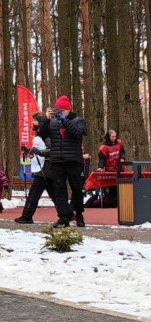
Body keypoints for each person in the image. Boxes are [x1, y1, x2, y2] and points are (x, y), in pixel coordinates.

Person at [37, 95, 87, 227]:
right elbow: (41, 135)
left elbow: (78, 133)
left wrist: (64, 120)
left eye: (62, 110)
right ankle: (63, 217)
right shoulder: (52, 123)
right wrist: (46, 119)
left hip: (73, 161)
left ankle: (79, 215)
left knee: (76, 190)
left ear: (68, 110)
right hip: (57, 161)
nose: (60, 112)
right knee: (59, 190)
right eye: (57, 110)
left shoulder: (78, 121)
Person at [15, 122, 54, 224]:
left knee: (34, 194)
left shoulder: (47, 137)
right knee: (54, 195)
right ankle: (67, 215)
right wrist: (29, 152)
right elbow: (39, 153)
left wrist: (38, 152)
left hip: (44, 170)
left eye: (35, 128)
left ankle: (27, 216)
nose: (33, 130)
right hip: (42, 170)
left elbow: (51, 152)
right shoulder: (40, 138)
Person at [95, 129, 125, 207]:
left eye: (115, 136)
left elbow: (122, 152)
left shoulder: (119, 143)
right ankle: (113, 202)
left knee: (120, 186)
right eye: (112, 137)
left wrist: (122, 158)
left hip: (119, 168)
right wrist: (100, 167)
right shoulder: (104, 147)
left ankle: (121, 202)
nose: (114, 138)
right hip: (110, 169)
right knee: (112, 186)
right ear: (109, 137)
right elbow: (101, 159)